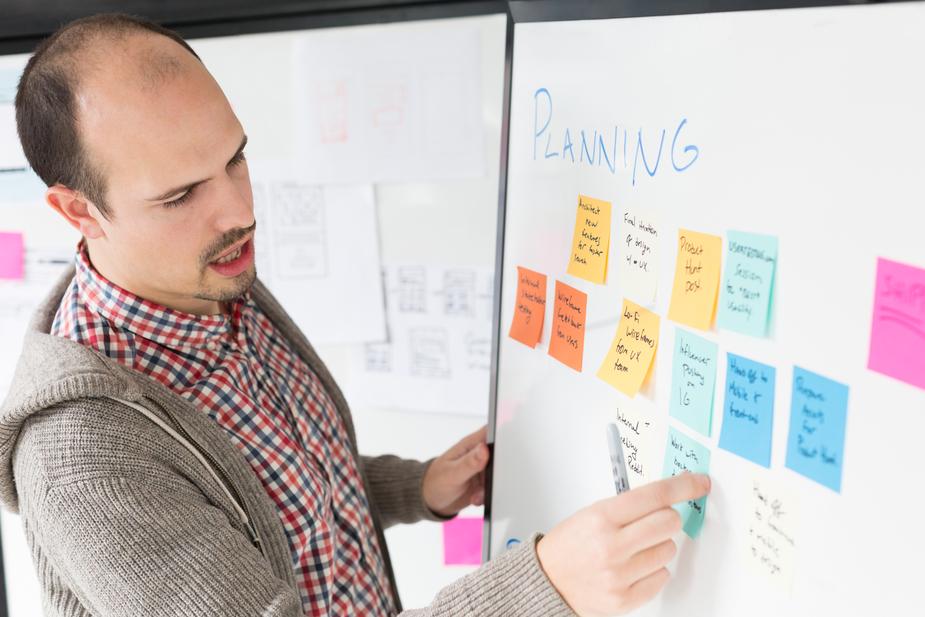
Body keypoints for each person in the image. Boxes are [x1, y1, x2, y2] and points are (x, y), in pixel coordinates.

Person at [0, 13, 711, 617]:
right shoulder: (86, 464)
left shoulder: (209, 281)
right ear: (77, 211)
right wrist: (544, 586)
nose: (239, 211)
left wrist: (415, 486)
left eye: (235, 159)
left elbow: (275, 490)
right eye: (181, 194)